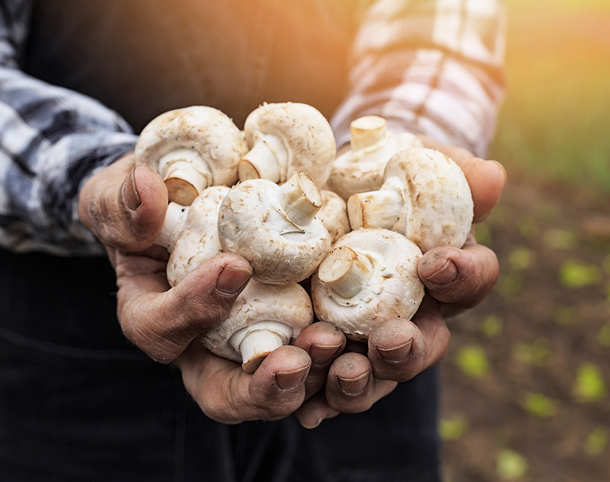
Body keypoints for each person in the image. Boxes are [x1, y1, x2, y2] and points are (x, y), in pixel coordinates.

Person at [0, 1, 507, 480]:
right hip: (64, 333)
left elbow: (441, 35)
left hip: (360, 349)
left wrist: (405, 144)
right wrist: (94, 178)